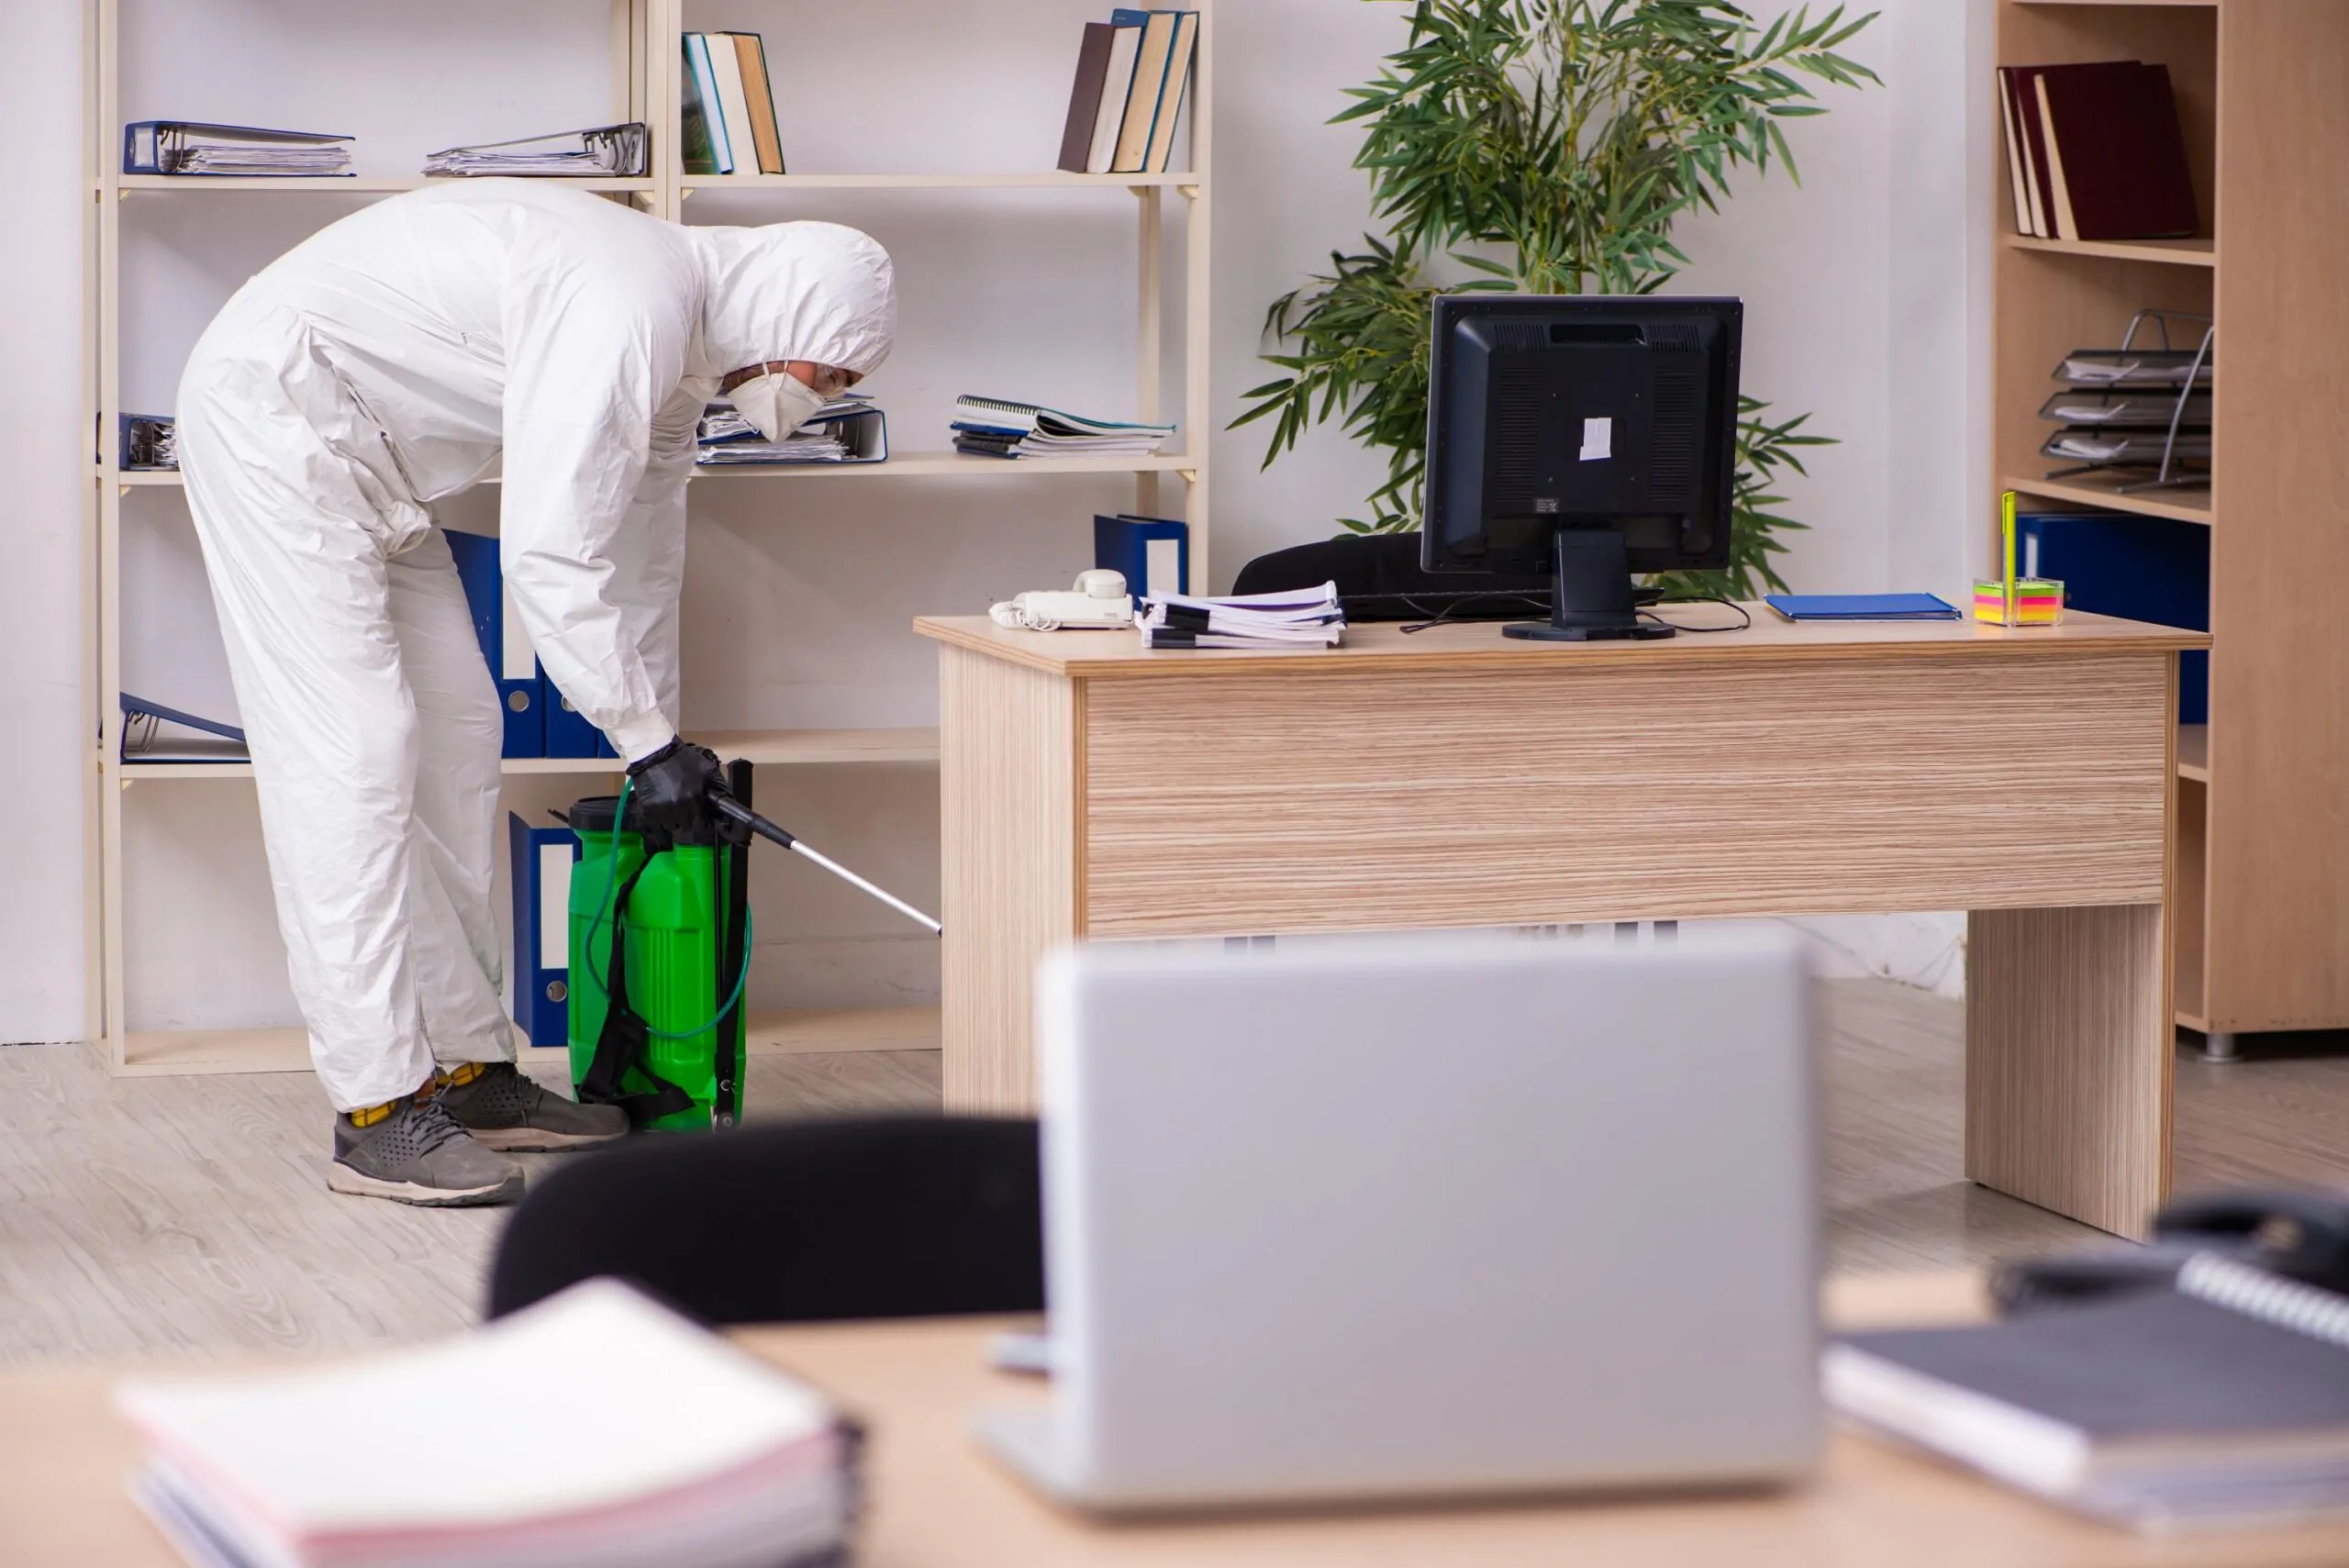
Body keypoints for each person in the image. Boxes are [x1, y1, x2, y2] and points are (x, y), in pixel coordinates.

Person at [176, 182, 896, 1207]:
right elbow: (551, 555)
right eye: (828, 372)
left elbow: (640, 556)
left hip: (378, 474)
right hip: (274, 423)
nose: (814, 399)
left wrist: (659, 746)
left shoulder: (682, 362)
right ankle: (374, 1112)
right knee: (355, 753)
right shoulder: (629, 302)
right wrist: (643, 739)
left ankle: (470, 1071)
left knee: (464, 731)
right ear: (793, 316)